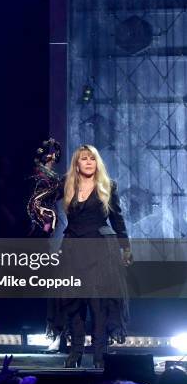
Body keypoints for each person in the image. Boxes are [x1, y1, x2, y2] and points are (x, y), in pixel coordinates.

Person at [47, 144, 131, 368]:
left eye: (92, 159)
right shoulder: (66, 185)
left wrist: (126, 247)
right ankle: (75, 352)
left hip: (100, 250)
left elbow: (117, 219)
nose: (88, 162)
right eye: (84, 159)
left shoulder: (107, 186)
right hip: (73, 249)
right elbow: (41, 194)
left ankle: (99, 355)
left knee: (98, 305)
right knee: (73, 303)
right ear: (77, 163)